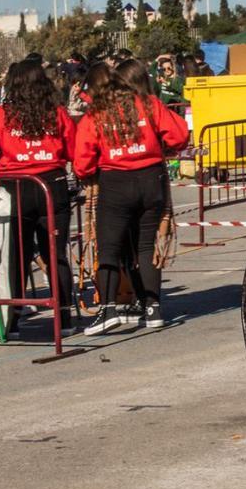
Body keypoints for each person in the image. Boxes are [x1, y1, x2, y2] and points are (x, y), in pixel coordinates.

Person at [75, 61, 189, 335]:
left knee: (109, 248)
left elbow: (82, 161)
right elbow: (179, 135)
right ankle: (152, 308)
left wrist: (91, 171)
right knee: (146, 247)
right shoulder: (147, 103)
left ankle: (108, 310)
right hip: (151, 180)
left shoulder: (97, 113)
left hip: (116, 183)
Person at [0, 60, 77, 335]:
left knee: (15, 256)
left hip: (18, 186)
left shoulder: (3, 114)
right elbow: (73, 147)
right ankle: (63, 317)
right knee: (55, 253)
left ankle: (12, 319)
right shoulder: (57, 112)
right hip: (52, 184)